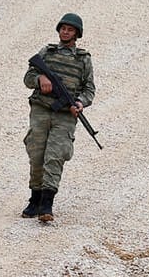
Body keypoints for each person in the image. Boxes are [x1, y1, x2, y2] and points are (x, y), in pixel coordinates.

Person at [22, 13, 96, 222]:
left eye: (70, 30)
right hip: (41, 109)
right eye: (63, 28)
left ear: (77, 34)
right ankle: (34, 199)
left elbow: (89, 89)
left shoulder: (83, 59)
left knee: (56, 155)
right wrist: (40, 78)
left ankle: (47, 203)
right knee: (36, 153)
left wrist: (80, 103)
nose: (65, 32)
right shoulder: (46, 52)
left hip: (65, 115)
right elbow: (28, 78)